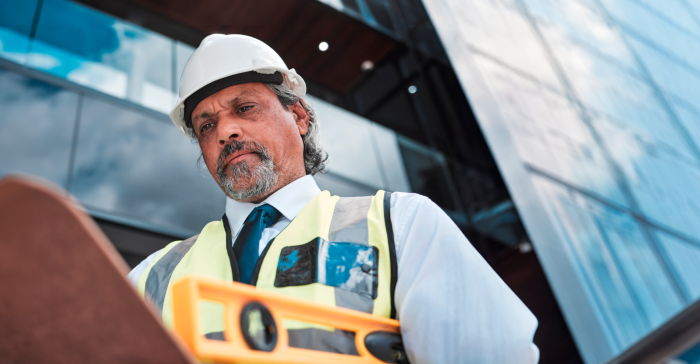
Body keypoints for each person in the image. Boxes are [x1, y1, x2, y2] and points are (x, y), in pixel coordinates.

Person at [128, 34, 539, 363]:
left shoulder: (401, 226)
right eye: (206, 125)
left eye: (245, 108)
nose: (225, 132)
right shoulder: (150, 279)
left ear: (299, 116)